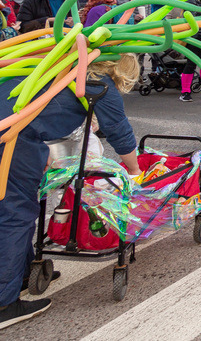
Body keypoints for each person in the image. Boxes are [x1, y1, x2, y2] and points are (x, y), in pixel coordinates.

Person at [0, 55, 141, 330]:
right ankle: (5, 303)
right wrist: (135, 172)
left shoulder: (56, 67)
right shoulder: (98, 83)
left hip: (16, 135)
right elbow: (120, 133)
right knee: (15, 214)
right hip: (11, 139)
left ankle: (22, 272)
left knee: (13, 208)